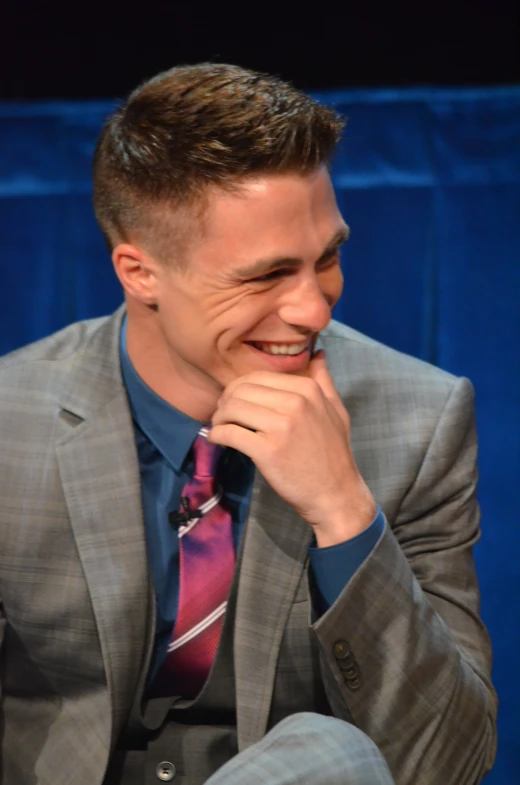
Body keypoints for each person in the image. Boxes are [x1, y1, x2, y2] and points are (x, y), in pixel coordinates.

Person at [0, 63, 496, 785]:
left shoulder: (418, 418)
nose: (314, 309)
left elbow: (447, 763)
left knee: (330, 753)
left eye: (327, 258)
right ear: (140, 273)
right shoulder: (11, 421)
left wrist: (344, 510)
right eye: (264, 276)